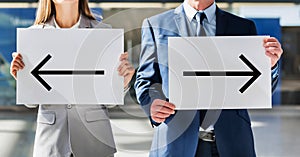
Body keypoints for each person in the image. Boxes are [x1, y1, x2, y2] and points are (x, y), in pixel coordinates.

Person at [134, 0, 283, 157]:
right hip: (174, 142)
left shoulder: (242, 27)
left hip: (232, 142)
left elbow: (257, 89)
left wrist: (269, 67)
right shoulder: (155, 24)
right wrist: (152, 103)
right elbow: (146, 79)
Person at [10, 0, 135, 157]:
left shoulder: (102, 32)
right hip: (52, 141)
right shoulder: (34, 34)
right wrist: (23, 79)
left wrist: (121, 84)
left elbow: (109, 102)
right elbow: (31, 102)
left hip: (94, 140)